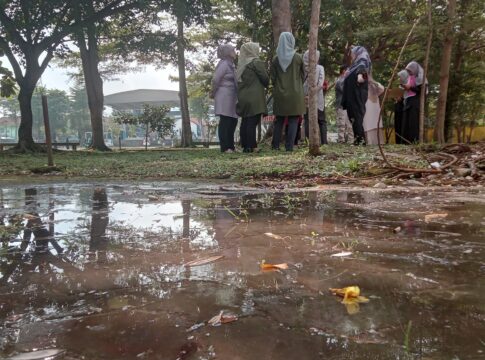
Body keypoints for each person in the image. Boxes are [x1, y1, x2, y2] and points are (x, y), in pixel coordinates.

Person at [271, 32, 305, 152]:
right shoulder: (298, 57)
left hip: (280, 93)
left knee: (279, 120)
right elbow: (303, 75)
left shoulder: (276, 60)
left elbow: (273, 79)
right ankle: (289, 146)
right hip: (295, 94)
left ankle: (275, 145)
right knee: (293, 120)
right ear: (291, 41)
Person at [236, 42, 269, 153]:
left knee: (245, 121)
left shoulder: (241, 64)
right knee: (252, 121)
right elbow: (265, 78)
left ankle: (245, 145)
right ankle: (252, 146)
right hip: (254, 96)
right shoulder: (256, 62)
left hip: (243, 96)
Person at [341, 46, 371, 146]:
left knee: (357, 118)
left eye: (353, 53)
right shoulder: (355, 64)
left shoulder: (362, 61)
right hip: (352, 97)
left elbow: (362, 73)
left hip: (357, 96)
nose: (352, 55)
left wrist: (360, 76)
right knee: (353, 118)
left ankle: (360, 141)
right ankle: (358, 140)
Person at [211, 44, 238, 153]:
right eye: (233, 50)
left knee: (233, 120)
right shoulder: (223, 64)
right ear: (228, 52)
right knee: (226, 120)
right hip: (224, 94)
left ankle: (231, 146)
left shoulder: (231, 64)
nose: (235, 52)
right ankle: (225, 147)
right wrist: (213, 92)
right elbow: (216, 79)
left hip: (231, 95)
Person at [303, 49, 327, 145]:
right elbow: (321, 83)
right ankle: (324, 142)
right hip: (318, 98)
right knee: (321, 121)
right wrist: (314, 92)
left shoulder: (303, 68)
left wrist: (307, 94)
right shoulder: (320, 68)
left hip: (306, 98)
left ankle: (308, 142)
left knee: (307, 120)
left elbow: (302, 84)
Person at [401, 61, 426, 143]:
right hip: (408, 102)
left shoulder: (421, 78)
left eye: (410, 70)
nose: (408, 72)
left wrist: (410, 87)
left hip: (415, 103)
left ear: (415, 69)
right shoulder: (409, 78)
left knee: (413, 123)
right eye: (407, 71)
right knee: (406, 123)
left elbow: (422, 91)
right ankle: (405, 142)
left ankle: (414, 141)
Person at [362, 75, 385, 145]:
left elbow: (382, 89)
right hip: (367, 108)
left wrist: (373, 82)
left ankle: (379, 142)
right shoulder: (362, 86)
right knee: (368, 124)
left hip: (375, 109)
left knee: (376, 124)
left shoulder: (375, 85)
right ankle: (369, 142)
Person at [335, 66, 354, 144]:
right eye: (347, 70)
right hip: (341, 105)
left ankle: (351, 140)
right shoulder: (339, 80)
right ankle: (341, 140)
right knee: (341, 124)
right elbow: (344, 90)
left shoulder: (346, 80)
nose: (349, 72)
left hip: (348, 105)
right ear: (343, 71)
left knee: (350, 123)